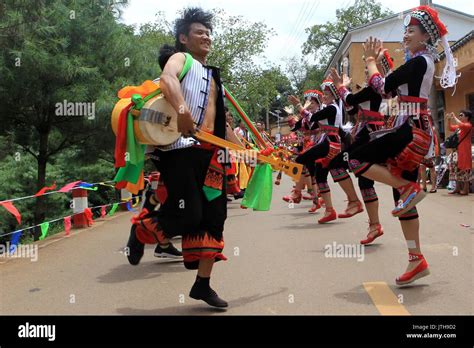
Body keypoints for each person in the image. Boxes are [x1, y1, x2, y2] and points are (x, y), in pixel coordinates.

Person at [126, 8, 235, 307]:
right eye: (199, 32)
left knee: (215, 219)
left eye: (208, 33)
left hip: (211, 154)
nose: (206, 37)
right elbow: (167, 79)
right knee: (189, 213)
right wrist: (183, 111)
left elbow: (223, 122)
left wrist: (247, 150)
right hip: (179, 150)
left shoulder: (214, 75)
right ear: (184, 38)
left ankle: (202, 285)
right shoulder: (181, 59)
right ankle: (142, 229)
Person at [343, 5, 458, 285]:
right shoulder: (420, 61)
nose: (405, 35)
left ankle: (407, 187)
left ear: (425, 37)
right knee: (401, 199)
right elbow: (394, 88)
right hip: (410, 127)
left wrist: (371, 61)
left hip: (409, 128)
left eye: (411, 31)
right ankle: (416, 258)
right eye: (405, 30)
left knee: (354, 159)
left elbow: (382, 87)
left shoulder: (420, 62)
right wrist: (383, 63)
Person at [447, 110, 472, 195]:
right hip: (457, 151)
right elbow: (450, 128)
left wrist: (454, 117)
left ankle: (466, 189)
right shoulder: (459, 127)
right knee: (456, 169)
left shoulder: (468, 125)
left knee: (465, 169)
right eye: (459, 115)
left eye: (461, 115)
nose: (460, 116)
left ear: (467, 117)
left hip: (464, 150)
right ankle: (457, 188)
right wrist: (449, 120)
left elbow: (461, 125)